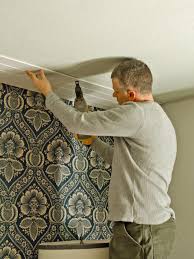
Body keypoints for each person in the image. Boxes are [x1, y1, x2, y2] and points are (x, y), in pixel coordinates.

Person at [26, 58, 177, 259]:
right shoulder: (159, 117)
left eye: (116, 91)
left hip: (141, 229)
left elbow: (76, 122)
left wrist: (47, 92)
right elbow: (124, 162)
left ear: (131, 94)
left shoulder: (136, 113)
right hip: (152, 226)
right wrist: (94, 142)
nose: (114, 96)